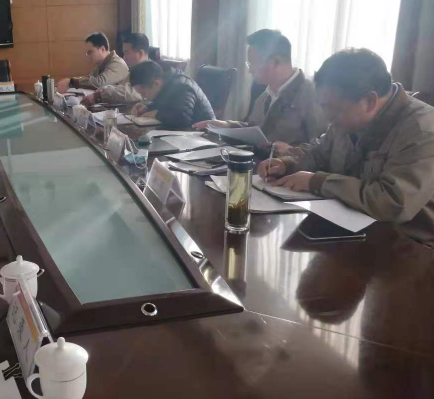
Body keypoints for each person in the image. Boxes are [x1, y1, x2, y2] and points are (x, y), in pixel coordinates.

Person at [258, 48, 434, 246]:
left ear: (370, 101)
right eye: (325, 107)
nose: (329, 118)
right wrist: (286, 163)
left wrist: (317, 182)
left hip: (407, 245)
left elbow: (393, 202)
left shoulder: (423, 130)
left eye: (334, 110)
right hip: (347, 229)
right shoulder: (346, 119)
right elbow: (319, 152)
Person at [193, 29, 327, 156]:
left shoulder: (311, 94)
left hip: (287, 168)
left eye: (253, 63)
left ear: (276, 62)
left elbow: (322, 149)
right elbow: (255, 128)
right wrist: (226, 125)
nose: (250, 70)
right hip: (259, 164)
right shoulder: (265, 93)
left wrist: (291, 151)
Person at [129, 60, 215, 129]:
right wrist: (147, 107)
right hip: (187, 133)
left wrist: (156, 114)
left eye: (143, 93)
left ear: (156, 83)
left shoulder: (181, 86)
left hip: (206, 135)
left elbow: (182, 118)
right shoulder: (165, 84)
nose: (143, 97)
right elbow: (168, 106)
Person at [81, 32, 150, 106]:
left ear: (140, 53)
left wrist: (99, 95)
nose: (124, 58)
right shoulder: (134, 70)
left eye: (126, 53)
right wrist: (107, 88)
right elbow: (122, 87)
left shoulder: (150, 72)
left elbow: (130, 92)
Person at [56, 32, 129, 93]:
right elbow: (88, 79)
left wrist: (72, 82)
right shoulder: (101, 65)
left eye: (90, 52)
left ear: (102, 49)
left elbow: (100, 83)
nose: (88, 55)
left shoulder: (117, 63)